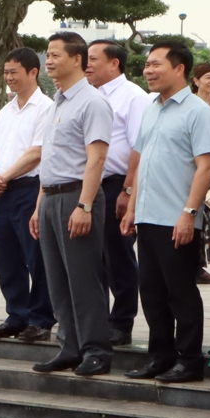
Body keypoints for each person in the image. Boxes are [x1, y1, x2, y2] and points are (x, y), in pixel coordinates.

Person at [119, 41, 210, 384]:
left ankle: (189, 360)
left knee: (181, 292)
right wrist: (131, 207)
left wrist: (189, 213)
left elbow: (206, 167)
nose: (148, 70)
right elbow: (143, 161)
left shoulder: (197, 112)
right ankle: (160, 357)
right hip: (147, 216)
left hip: (176, 218)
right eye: (146, 64)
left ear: (179, 69)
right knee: (151, 291)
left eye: (155, 64)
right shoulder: (151, 109)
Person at [29, 32, 114, 377]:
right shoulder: (57, 103)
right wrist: (38, 206)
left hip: (77, 196)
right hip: (50, 196)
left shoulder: (92, 102)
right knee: (57, 279)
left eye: (55, 55)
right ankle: (70, 345)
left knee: (83, 277)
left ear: (77, 59)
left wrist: (86, 205)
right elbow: (49, 160)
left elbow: (97, 159)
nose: (48, 61)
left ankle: (96, 349)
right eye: (47, 55)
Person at [0, 49, 56, 342]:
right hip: (3, 191)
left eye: (14, 72)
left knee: (35, 256)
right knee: (7, 257)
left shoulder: (46, 108)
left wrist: (5, 176)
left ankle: (40, 319)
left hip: (28, 189)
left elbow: (37, 152)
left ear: (33, 72)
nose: (9, 78)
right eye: (6, 72)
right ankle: (16, 315)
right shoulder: (7, 109)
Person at [86, 41, 149, 348]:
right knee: (93, 256)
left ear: (114, 64)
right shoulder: (89, 96)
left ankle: (122, 321)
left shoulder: (133, 97)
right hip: (90, 185)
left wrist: (128, 190)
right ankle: (96, 319)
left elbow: (139, 147)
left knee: (118, 254)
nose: (86, 65)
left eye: (93, 59)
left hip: (117, 183)